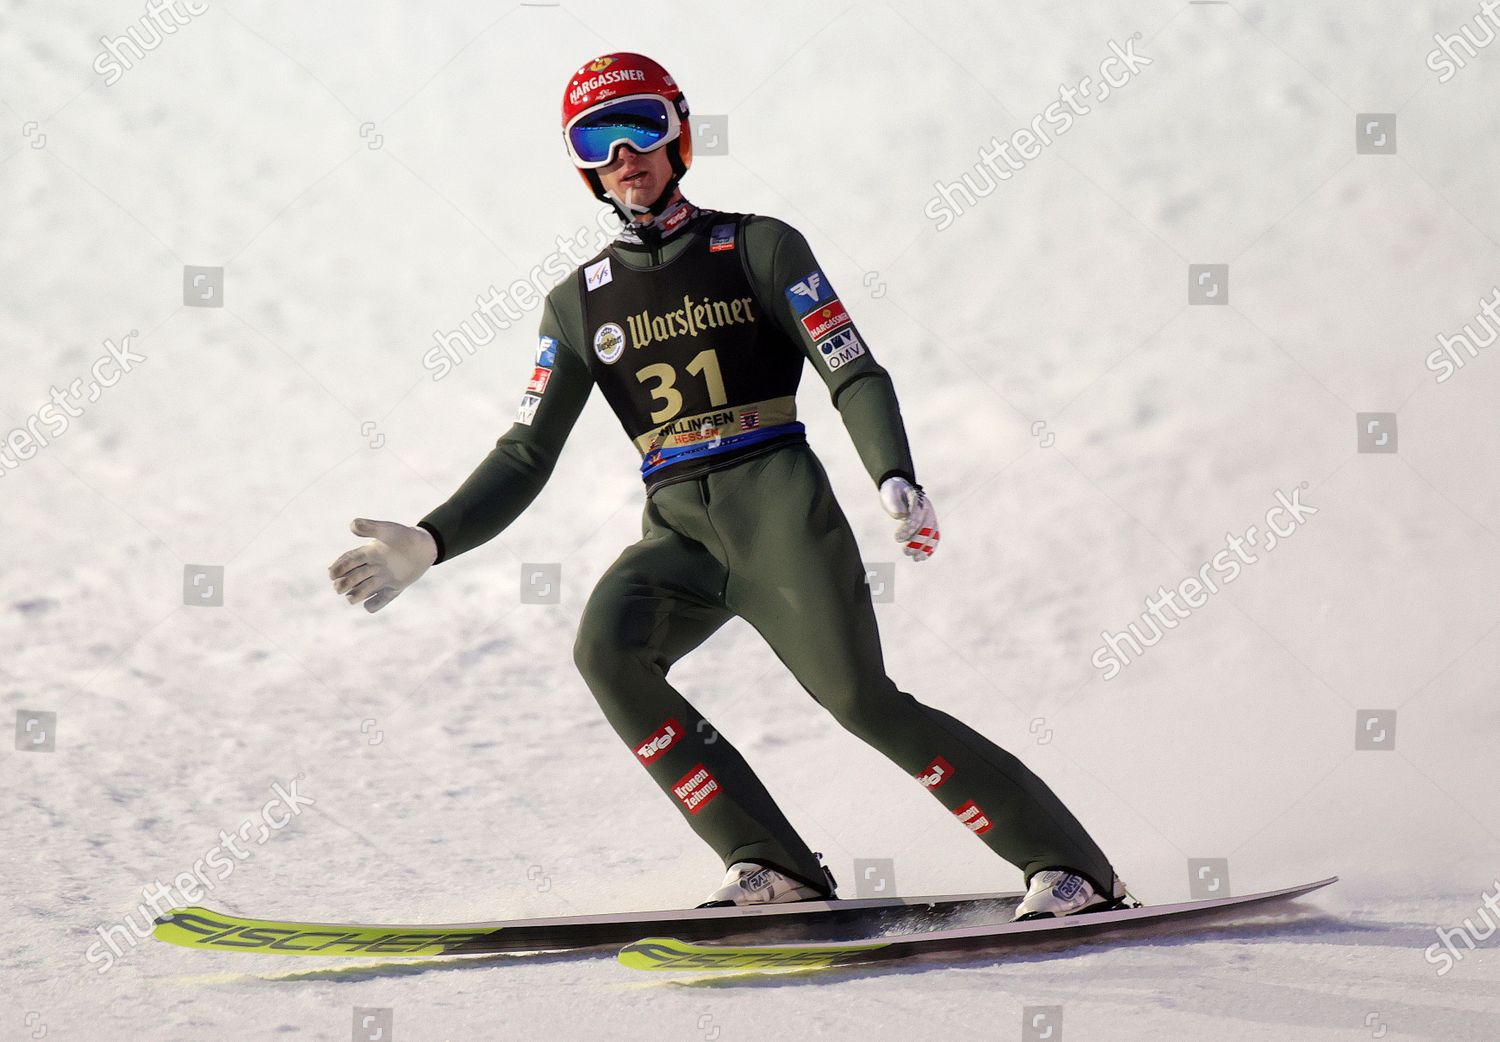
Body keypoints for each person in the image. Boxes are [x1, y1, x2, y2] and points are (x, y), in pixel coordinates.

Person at [328, 52, 1133, 919]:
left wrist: (892, 471)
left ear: (680, 133)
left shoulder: (758, 245)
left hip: (777, 502)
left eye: (643, 124)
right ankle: (770, 863)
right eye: (598, 137)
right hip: (678, 529)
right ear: (582, 166)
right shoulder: (577, 303)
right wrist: (434, 537)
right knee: (607, 650)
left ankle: (1071, 867)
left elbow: (852, 370)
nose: (625, 151)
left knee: (861, 699)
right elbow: (527, 451)